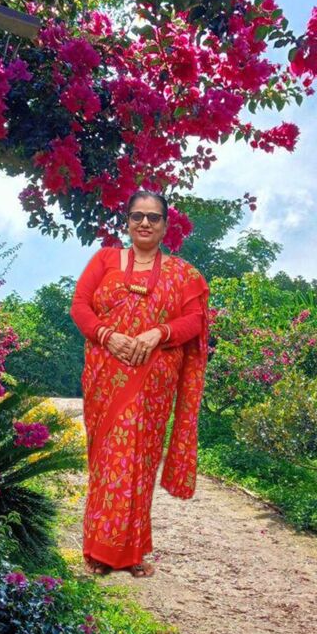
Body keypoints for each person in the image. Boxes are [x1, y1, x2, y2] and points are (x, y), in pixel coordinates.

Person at [70, 190, 209, 578]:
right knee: (108, 460)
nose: (144, 223)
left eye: (153, 217)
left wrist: (158, 333)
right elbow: (80, 306)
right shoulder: (104, 260)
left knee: (140, 463)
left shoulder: (183, 273)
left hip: (153, 383)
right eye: (137, 216)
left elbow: (194, 320)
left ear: (165, 226)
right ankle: (99, 552)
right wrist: (107, 335)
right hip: (106, 377)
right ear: (127, 222)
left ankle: (130, 553)